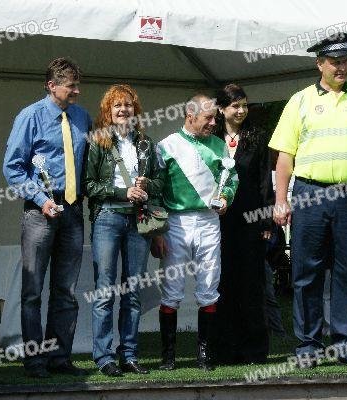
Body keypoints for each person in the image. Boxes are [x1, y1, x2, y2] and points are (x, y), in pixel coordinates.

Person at [269, 33, 347, 370]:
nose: (341, 67)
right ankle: (308, 345)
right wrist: (280, 200)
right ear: (319, 64)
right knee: (307, 272)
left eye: (345, 61)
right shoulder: (299, 101)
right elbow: (285, 155)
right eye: (334, 62)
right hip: (310, 194)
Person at [3, 57, 91, 378]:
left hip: (73, 211)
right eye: (71, 86)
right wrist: (41, 200)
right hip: (39, 212)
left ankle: (59, 357)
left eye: (78, 86)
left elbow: (89, 162)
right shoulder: (30, 116)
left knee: (66, 290)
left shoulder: (82, 117)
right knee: (32, 292)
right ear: (52, 86)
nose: (77, 91)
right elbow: (13, 167)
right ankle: (34, 360)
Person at [150, 94, 238, 371]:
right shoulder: (166, 146)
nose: (214, 123)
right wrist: (157, 231)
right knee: (172, 289)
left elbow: (230, 179)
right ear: (190, 116)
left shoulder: (219, 146)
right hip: (175, 222)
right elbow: (155, 191)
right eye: (208, 118)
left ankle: (204, 354)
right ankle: (168, 356)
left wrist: (226, 197)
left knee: (209, 285)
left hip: (209, 220)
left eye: (215, 118)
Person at [83, 84, 163, 376]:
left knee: (133, 292)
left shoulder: (146, 143)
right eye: (117, 105)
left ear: (135, 109)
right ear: (108, 111)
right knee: (105, 290)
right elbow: (88, 185)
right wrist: (122, 192)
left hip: (138, 220)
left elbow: (160, 182)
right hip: (107, 218)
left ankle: (129, 354)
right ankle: (104, 357)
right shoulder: (98, 141)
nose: (123, 110)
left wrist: (146, 186)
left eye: (128, 105)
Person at [212, 84, 274, 364]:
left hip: (250, 220)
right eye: (235, 106)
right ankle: (225, 349)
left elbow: (264, 181)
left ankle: (254, 350)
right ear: (221, 109)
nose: (241, 111)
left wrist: (266, 220)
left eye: (244, 105)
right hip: (217, 220)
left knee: (251, 283)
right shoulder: (211, 138)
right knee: (222, 282)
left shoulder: (257, 138)